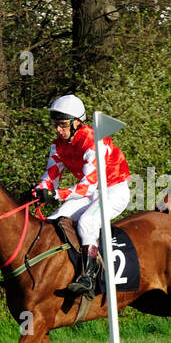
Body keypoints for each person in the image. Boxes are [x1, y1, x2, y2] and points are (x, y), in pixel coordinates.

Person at [33, 94, 132, 297]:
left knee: (87, 222)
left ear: (77, 122)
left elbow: (87, 186)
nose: (58, 130)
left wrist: (55, 194)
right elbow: (50, 176)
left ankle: (88, 276)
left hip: (113, 189)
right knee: (53, 221)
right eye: (56, 125)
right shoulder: (58, 145)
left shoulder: (94, 141)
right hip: (91, 191)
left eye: (62, 125)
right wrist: (39, 191)